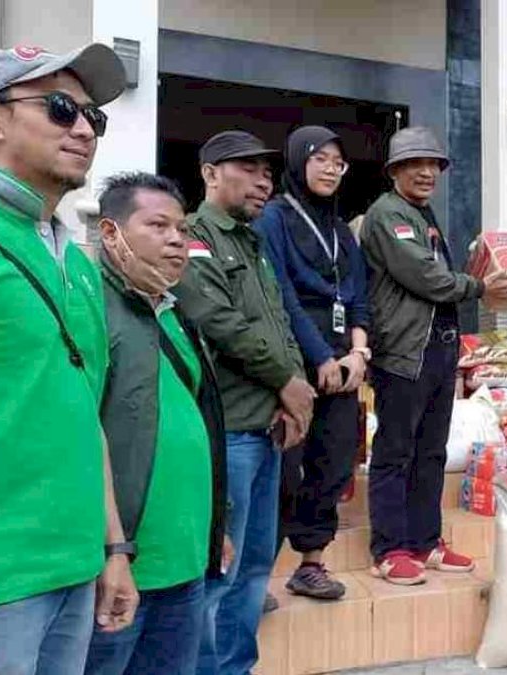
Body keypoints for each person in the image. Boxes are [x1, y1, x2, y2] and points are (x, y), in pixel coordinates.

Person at [0, 44, 138, 675]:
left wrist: (113, 548)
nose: (84, 128)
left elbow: (86, 415)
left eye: (93, 116)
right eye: (61, 108)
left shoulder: (77, 265)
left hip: (76, 571)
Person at [174, 130, 314, 674]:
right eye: (248, 169)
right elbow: (218, 321)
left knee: (255, 568)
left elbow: (279, 322)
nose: (264, 182)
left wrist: (294, 389)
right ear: (210, 173)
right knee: (219, 572)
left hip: (267, 428)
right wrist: (286, 380)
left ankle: (237, 667)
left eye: (268, 173)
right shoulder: (194, 236)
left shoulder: (253, 244)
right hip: (229, 431)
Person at [360, 126, 507, 585]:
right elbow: (425, 276)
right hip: (403, 352)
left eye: (433, 164)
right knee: (395, 452)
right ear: (394, 170)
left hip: (437, 349)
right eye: (415, 164)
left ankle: (426, 541)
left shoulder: (421, 213)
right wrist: (480, 286)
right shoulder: (388, 214)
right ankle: (389, 549)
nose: (427, 172)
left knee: (430, 451)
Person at [86, 173, 230, 674]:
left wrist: (216, 524)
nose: (176, 240)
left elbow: (198, 419)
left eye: (181, 229)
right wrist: (111, 549)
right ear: (111, 233)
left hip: (185, 560)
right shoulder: (89, 307)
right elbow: (81, 437)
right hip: (120, 567)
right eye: (158, 226)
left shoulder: (173, 311)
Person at [255, 126, 371, 600]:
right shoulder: (273, 219)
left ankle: (311, 564)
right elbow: (281, 294)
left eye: (337, 162)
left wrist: (358, 352)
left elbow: (359, 296)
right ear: (298, 160)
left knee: (334, 464)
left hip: (343, 365)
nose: (330, 169)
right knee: (283, 472)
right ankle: (253, 578)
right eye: (319, 158)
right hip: (293, 362)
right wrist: (320, 356)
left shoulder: (341, 231)